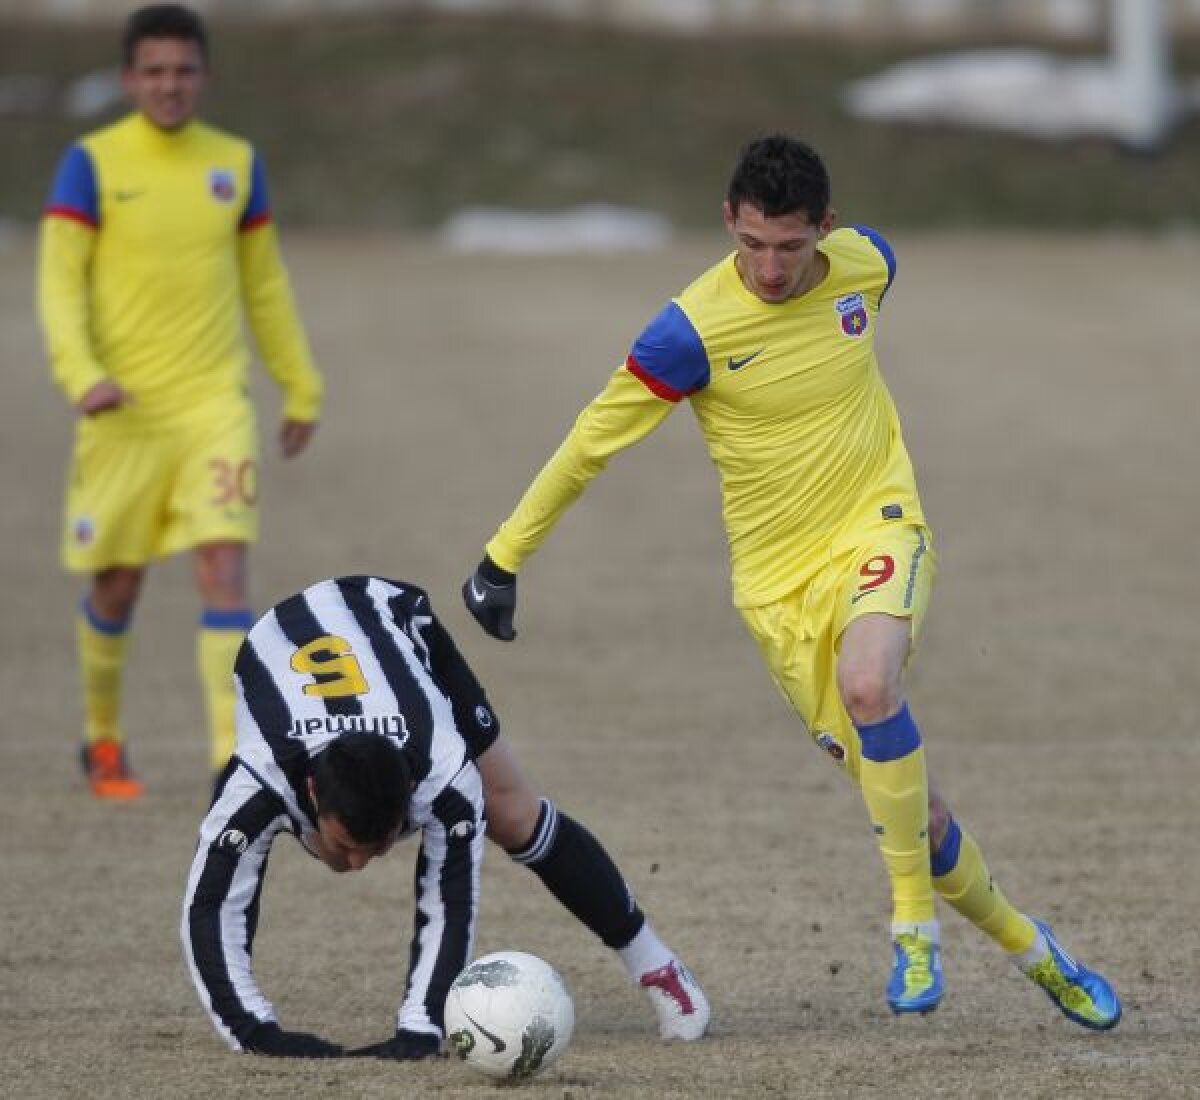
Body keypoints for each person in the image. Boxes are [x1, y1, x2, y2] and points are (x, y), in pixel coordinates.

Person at [463, 134, 1121, 1029]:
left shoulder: (867, 267)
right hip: (777, 594)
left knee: (871, 681)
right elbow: (589, 445)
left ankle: (912, 929)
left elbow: (874, 268)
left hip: (879, 528)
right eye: (753, 245)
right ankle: (1034, 950)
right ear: (728, 222)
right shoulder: (688, 331)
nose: (770, 268)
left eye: (790, 246)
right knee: (917, 820)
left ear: (827, 231)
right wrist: (504, 557)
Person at [181, 575, 709, 1057]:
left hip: (392, 618)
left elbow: (450, 900)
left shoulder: (443, 772)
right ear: (312, 791)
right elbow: (210, 906)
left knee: (513, 814)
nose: (362, 864)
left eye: (380, 845)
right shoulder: (257, 780)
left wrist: (422, 1028)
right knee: (320, 857)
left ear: (412, 791)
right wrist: (254, 1030)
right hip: (282, 637)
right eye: (349, 843)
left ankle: (659, 967)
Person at [36, 4, 323, 800]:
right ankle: (101, 738)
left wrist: (300, 383)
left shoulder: (235, 162)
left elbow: (264, 286)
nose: (169, 85)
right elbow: (59, 285)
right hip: (120, 412)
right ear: (129, 79)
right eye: (154, 71)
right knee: (117, 585)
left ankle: (228, 758)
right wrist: (80, 373)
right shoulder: (89, 164)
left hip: (213, 408)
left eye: (183, 70)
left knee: (223, 567)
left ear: (205, 75)